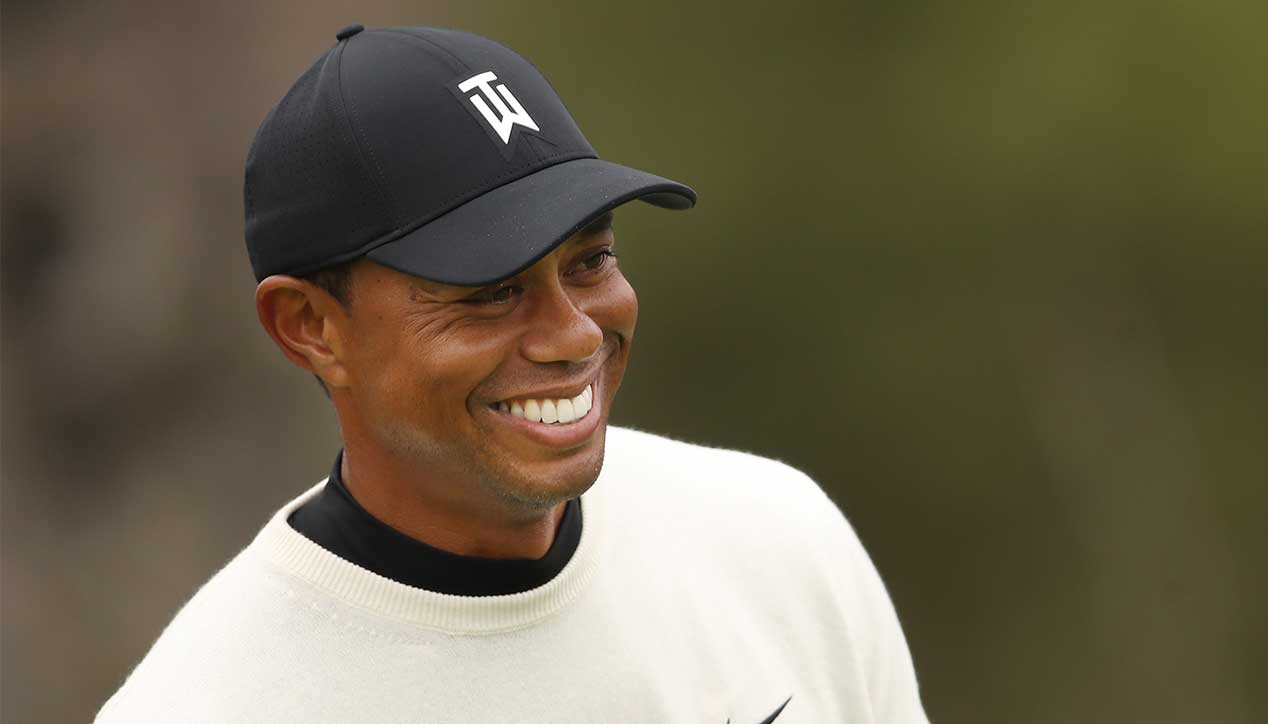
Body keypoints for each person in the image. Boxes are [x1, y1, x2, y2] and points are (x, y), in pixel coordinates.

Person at [94, 24, 929, 724]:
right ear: (312, 327)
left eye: (591, 258)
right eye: (489, 292)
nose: (572, 334)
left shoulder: (778, 542)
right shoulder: (204, 705)